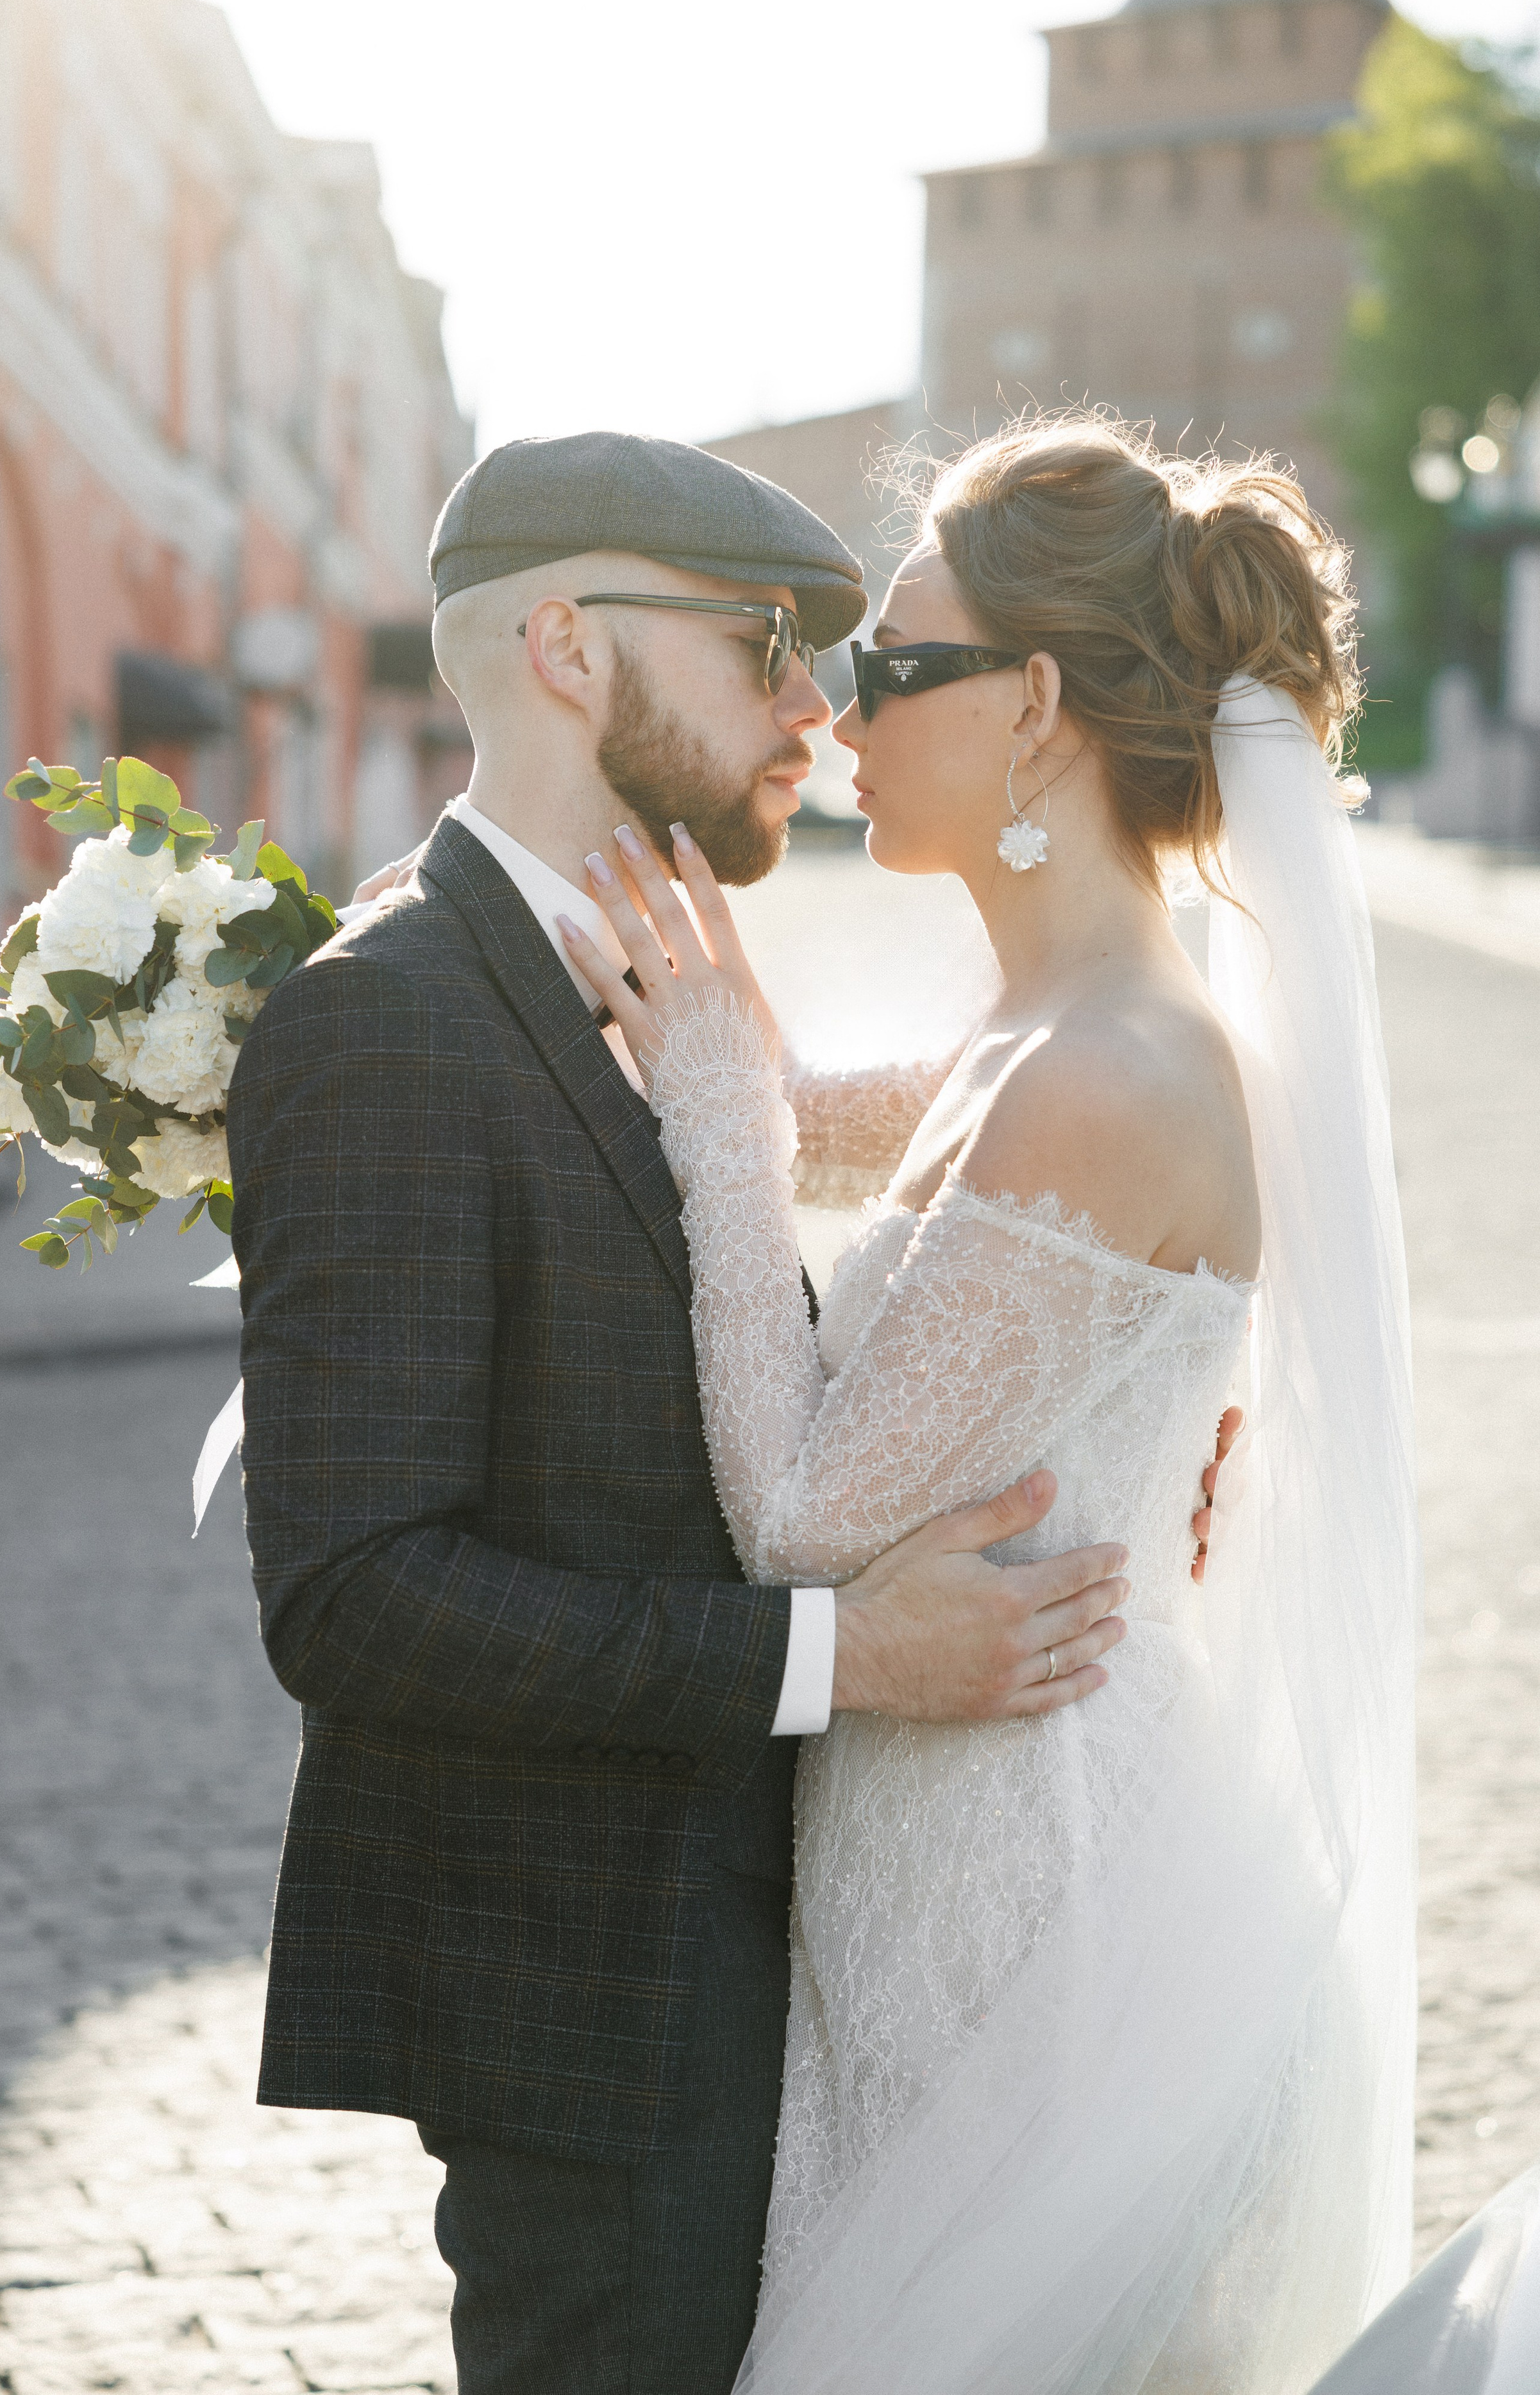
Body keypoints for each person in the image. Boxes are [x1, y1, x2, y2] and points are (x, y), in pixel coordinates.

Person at [228, 432, 1187, 2395]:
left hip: (832, 1967)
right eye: (760, 644)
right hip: (596, 2007)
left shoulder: (637, 991)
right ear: (568, 648)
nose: (810, 708)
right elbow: (355, 1594)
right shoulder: (387, 1014)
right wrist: (843, 1654)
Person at [564, 414, 1420, 2393]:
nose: (843, 710)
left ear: (1034, 706)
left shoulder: (1110, 1071)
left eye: (895, 667)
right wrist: (706, 1057)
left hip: (1035, 1907)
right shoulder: (1033, 1035)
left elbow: (796, 1513)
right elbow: (794, 1129)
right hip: (949, 1837)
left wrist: (714, 1101)